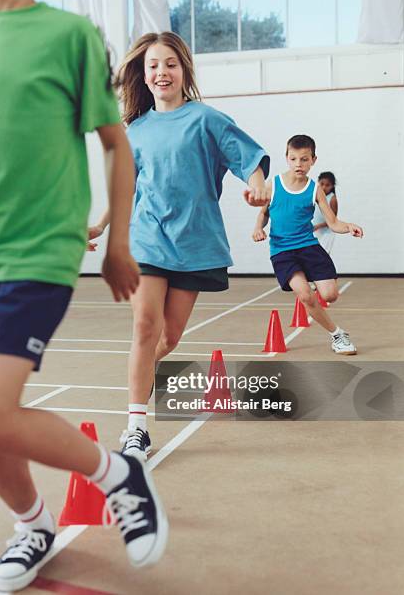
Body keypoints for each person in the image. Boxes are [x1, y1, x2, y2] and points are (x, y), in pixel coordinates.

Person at [0, 0, 168, 591]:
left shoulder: (68, 35)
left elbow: (117, 146)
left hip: (38, 250)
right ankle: (33, 527)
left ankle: (116, 474)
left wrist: (118, 243)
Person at [89, 31, 270, 461]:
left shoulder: (207, 119)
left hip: (194, 243)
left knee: (166, 339)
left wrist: (259, 187)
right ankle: (136, 427)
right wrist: (100, 225)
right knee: (144, 327)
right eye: (153, 65)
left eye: (170, 63)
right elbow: (126, 187)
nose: (161, 72)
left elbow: (248, 159)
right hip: (147, 239)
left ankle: (141, 388)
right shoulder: (135, 131)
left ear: (184, 69)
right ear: (144, 75)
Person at [252, 135, 363, 355]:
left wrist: (348, 226)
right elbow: (263, 214)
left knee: (330, 295)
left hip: (308, 247)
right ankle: (337, 335)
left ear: (313, 160)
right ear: (286, 158)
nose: (298, 164)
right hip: (282, 251)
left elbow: (333, 223)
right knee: (304, 295)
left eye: (304, 159)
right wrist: (258, 228)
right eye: (293, 159)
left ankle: (325, 299)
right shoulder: (273, 184)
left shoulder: (315, 189)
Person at [313, 171, 338, 254]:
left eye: (327, 185)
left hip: (327, 233)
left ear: (332, 186)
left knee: (323, 256)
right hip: (315, 231)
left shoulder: (332, 199)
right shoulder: (315, 196)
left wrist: (318, 226)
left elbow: (333, 220)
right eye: (322, 184)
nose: (324, 187)